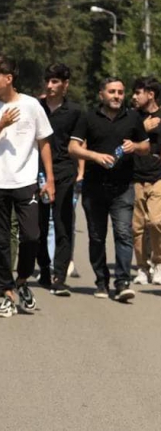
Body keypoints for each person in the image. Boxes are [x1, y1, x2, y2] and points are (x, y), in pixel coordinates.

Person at [0, 56, 55, 318]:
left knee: (31, 236)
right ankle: (7, 292)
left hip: (26, 181)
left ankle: (22, 280)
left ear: (8, 78)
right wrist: (0, 125)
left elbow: (44, 143)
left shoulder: (32, 106)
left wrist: (49, 179)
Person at [69, 78, 149, 302]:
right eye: (112, 92)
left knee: (124, 234)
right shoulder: (88, 117)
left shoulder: (132, 117)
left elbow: (145, 146)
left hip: (123, 187)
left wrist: (135, 146)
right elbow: (73, 147)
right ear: (101, 94)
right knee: (96, 237)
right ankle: (101, 281)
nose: (117, 96)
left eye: (121, 92)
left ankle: (122, 281)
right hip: (94, 188)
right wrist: (94, 156)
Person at [36, 64, 83, 296]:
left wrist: (81, 171)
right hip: (36, 172)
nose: (50, 86)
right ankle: (44, 269)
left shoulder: (75, 111)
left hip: (65, 171)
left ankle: (60, 276)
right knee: (38, 226)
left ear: (66, 84)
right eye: (48, 80)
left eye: (55, 81)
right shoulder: (36, 107)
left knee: (63, 223)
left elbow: (80, 144)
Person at [130, 77, 161, 285]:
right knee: (137, 227)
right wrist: (144, 128)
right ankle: (142, 268)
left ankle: (158, 264)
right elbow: (120, 139)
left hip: (158, 177)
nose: (134, 96)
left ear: (150, 94)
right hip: (135, 178)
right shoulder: (132, 117)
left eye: (138, 92)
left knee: (156, 222)